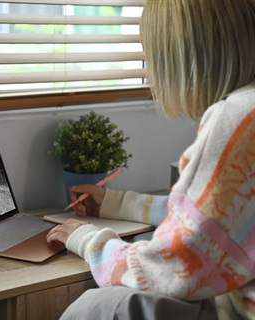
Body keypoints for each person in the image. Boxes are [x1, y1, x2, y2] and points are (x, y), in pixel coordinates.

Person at [47, 0, 255, 319]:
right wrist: (116, 203)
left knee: (99, 307)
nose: (149, 71)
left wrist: (88, 239)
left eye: (150, 57)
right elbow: (221, 218)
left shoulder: (241, 117)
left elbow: (172, 269)